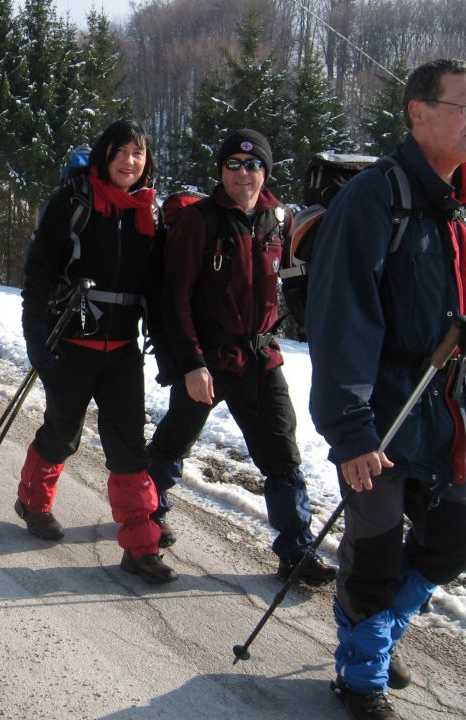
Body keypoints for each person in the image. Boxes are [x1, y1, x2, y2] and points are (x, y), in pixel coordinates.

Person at [307, 59, 466, 720]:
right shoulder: (375, 199)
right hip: (381, 414)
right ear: (419, 112)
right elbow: (341, 320)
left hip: (449, 412)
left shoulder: (463, 206)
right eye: (464, 106)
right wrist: (349, 429)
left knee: (456, 542)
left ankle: (378, 632)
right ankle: (361, 673)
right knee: (376, 554)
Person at [145, 129, 337, 585]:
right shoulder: (200, 221)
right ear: (221, 171)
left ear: (265, 172)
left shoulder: (279, 219)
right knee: (174, 443)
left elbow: (294, 280)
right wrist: (191, 363)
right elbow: (176, 299)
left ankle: (296, 550)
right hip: (210, 358)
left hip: (261, 358)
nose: (244, 173)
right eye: (233, 164)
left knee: (282, 454)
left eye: (253, 165)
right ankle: (147, 519)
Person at [16, 119, 176, 584]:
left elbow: (160, 287)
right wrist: (34, 330)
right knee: (62, 432)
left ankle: (140, 545)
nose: (130, 161)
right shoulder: (76, 201)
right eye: (122, 152)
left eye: (138, 154)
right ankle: (33, 501)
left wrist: (168, 347)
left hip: (123, 348)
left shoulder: (149, 212)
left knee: (128, 446)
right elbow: (40, 270)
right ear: (106, 156)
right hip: (71, 341)